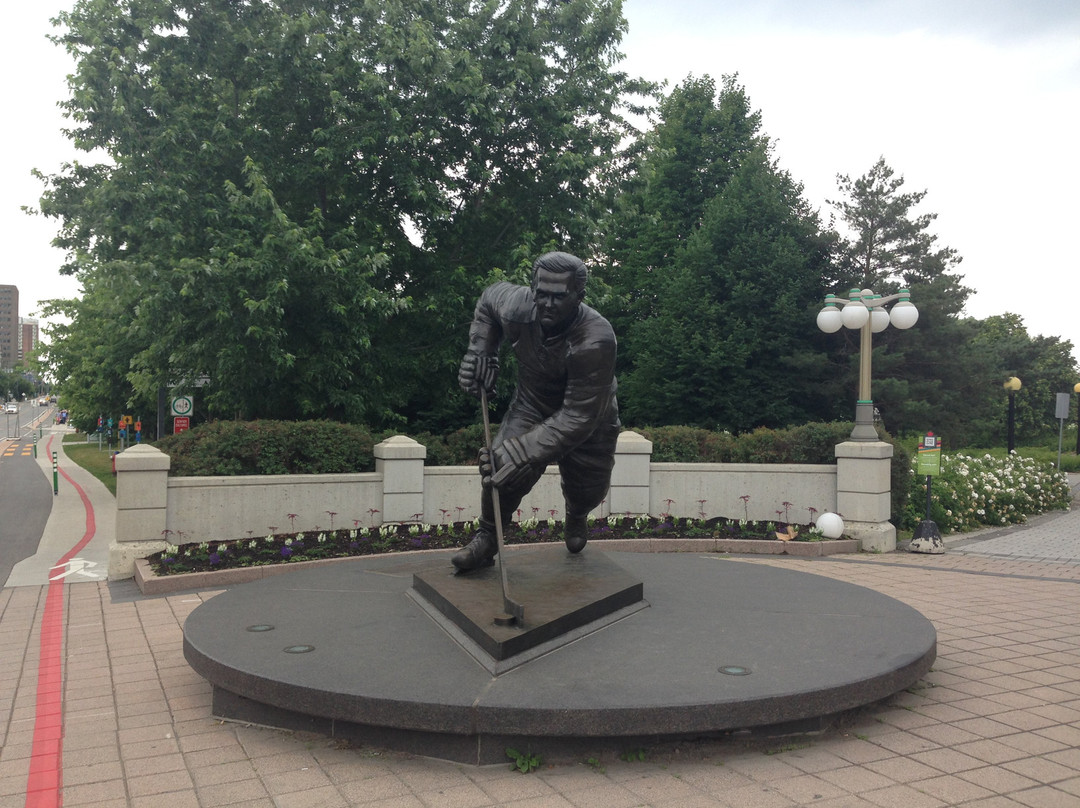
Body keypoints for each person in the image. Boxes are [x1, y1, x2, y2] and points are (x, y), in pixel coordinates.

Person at [452, 251, 620, 572]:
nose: (547, 304)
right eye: (541, 294)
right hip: (533, 404)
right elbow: (488, 301)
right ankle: (488, 535)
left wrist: (524, 450)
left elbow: (578, 416)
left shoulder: (596, 338)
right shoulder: (517, 306)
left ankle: (577, 512)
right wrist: (481, 351)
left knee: (588, 489)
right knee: (500, 466)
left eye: (558, 297)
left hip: (589, 418)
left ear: (579, 296)